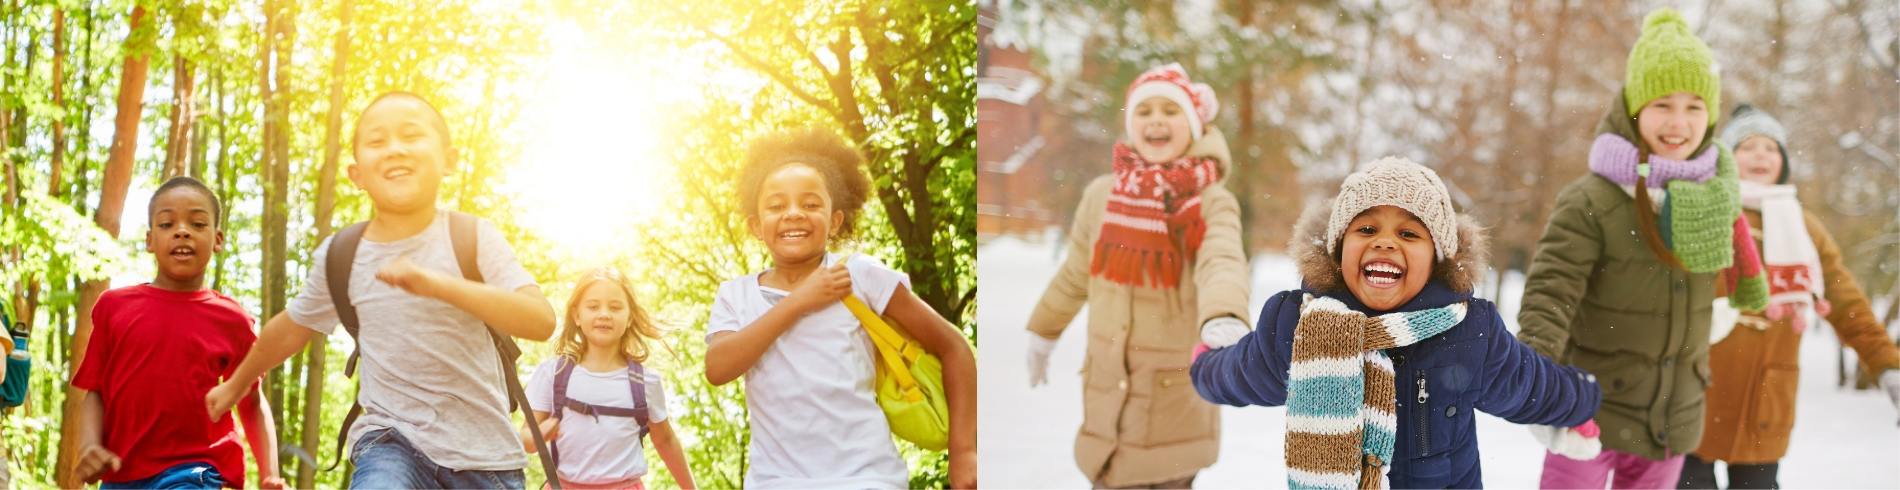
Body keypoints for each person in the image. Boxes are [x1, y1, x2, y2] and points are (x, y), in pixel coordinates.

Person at [204, 91, 557, 488]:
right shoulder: (343, 254)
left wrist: (441, 285)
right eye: (377, 141)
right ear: (357, 176)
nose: (394, 150)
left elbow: (540, 320)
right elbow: (292, 326)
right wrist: (236, 386)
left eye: (411, 136)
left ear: (449, 161)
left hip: (484, 456)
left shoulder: (473, 237)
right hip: (391, 442)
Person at [1192, 157, 1603, 489]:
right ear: (1338, 250)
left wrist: (1580, 402)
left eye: (1409, 234)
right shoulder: (1298, 326)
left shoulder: (1468, 333)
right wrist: (1206, 366)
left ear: (1438, 258)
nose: (1385, 242)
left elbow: (1530, 384)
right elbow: (1242, 371)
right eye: (1367, 229)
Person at [1515, 8, 1770, 489]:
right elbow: (1549, 299)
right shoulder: (1591, 199)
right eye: (1662, 105)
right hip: (1587, 414)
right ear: (1634, 108)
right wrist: (1541, 396)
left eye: (1695, 107)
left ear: (1711, 116)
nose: (1679, 122)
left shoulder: (1716, 194)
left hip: (1671, 420)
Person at [703, 128, 977, 488]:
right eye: (776, 205)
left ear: (834, 221)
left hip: (867, 479)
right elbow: (718, 367)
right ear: (757, 225)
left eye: (811, 204)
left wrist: (963, 452)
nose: (794, 214)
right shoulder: (735, 295)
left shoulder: (860, 275)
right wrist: (800, 300)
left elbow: (953, 346)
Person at [1022, 62, 1250, 489]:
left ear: (1195, 124)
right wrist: (1043, 331)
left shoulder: (1210, 201)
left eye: (1171, 110)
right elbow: (1076, 274)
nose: (1157, 120)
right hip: (1108, 395)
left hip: (1172, 403)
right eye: (1144, 111)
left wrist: (1224, 314)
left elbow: (1222, 260)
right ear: (1130, 124)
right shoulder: (1101, 196)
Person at [1674, 104, 1900, 489]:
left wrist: (1886, 364)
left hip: (1763, 402)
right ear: (1725, 158)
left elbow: (1848, 303)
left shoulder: (1803, 228)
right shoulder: (1700, 211)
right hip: (1694, 394)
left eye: (1771, 147)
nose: (1761, 155)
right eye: (1748, 146)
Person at [71, 176, 285, 489]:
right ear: (149, 240)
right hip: (121, 474)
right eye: (167, 224)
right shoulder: (113, 307)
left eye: (197, 224)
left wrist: (270, 474)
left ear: (218, 239)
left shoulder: (233, 319)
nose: (182, 231)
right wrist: (88, 446)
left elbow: (251, 401)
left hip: (198, 469)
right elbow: (95, 391)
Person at [520, 267, 695, 490]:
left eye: (615, 307)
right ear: (577, 315)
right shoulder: (552, 374)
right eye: (593, 307)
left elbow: (665, 440)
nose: (604, 314)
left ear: (630, 316)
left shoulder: (645, 382)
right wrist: (538, 435)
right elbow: (525, 439)